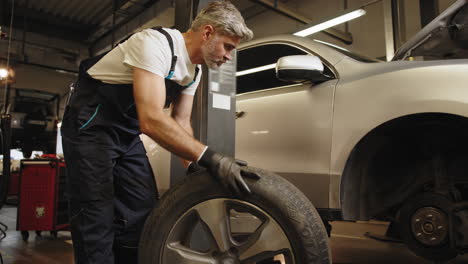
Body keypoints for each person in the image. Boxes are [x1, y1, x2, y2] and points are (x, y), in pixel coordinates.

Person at [61, 1, 255, 263]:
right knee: (95, 214)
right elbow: (151, 119)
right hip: (90, 125)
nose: (229, 56)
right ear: (207, 33)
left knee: (142, 208)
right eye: (228, 46)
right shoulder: (154, 44)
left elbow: (181, 122)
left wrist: (194, 167)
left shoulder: (194, 71)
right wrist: (213, 158)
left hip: (126, 135)